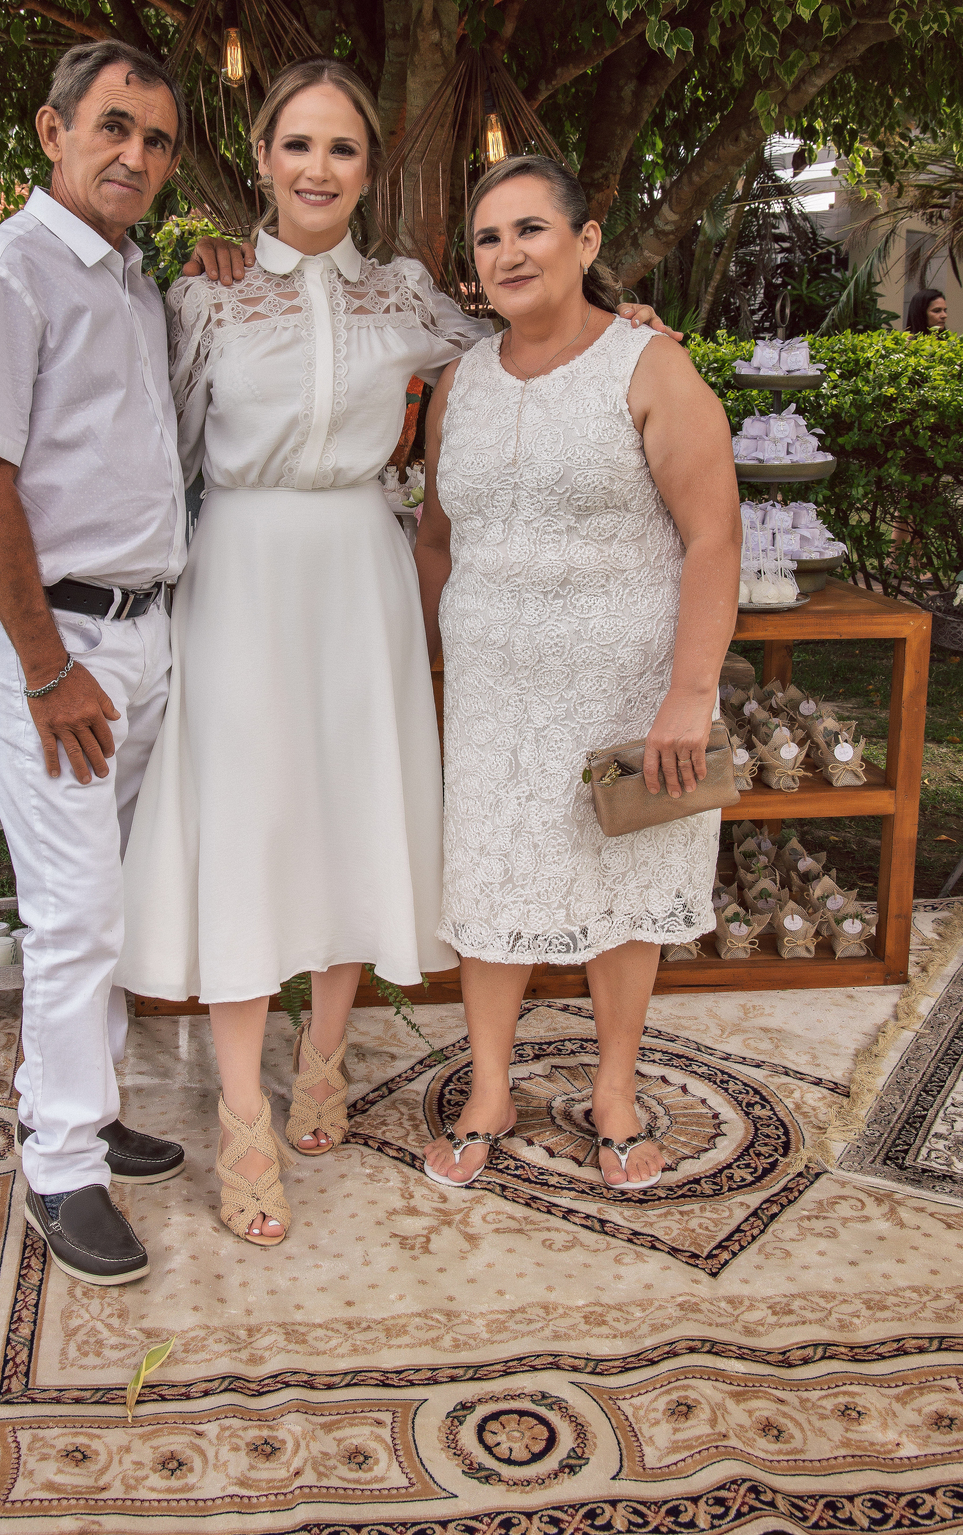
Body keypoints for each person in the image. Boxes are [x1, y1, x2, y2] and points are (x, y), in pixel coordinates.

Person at [117, 60, 679, 1247]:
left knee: (348, 810)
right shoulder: (204, 297)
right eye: (298, 145)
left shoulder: (409, 296)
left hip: (361, 574)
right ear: (262, 159)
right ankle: (241, 1111)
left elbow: (531, 332)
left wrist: (621, 320)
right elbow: (158, 449)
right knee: (246, 823)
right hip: (241, 574)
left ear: (370, 170)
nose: (319, 169)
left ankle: (323, 1054)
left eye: (343, 149)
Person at [0, 38, 254, 1289]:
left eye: (157, 140)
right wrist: (49, 668)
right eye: (114, 126)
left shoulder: (129, 282)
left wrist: (212, 272)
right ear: (52, 131)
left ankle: (89, 1106)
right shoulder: (5, 277)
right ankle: (60, 1164)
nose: (136, 155)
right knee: (76, 911)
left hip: (139, 630)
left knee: (112, 890)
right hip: (58, 642)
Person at [417, 155, 741, 1193]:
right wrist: (436, 657)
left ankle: (614, 1094)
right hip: (492, 699)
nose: (508, 253)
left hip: (626, 689)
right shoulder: (460, 383)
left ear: (586, 241)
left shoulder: (650, 367)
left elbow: (714, 536)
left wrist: (689, 694)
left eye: (531, 229)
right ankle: (489, 1091)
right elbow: (437, 536)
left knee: (625, 887)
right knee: (490, 877)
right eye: (488, 238)